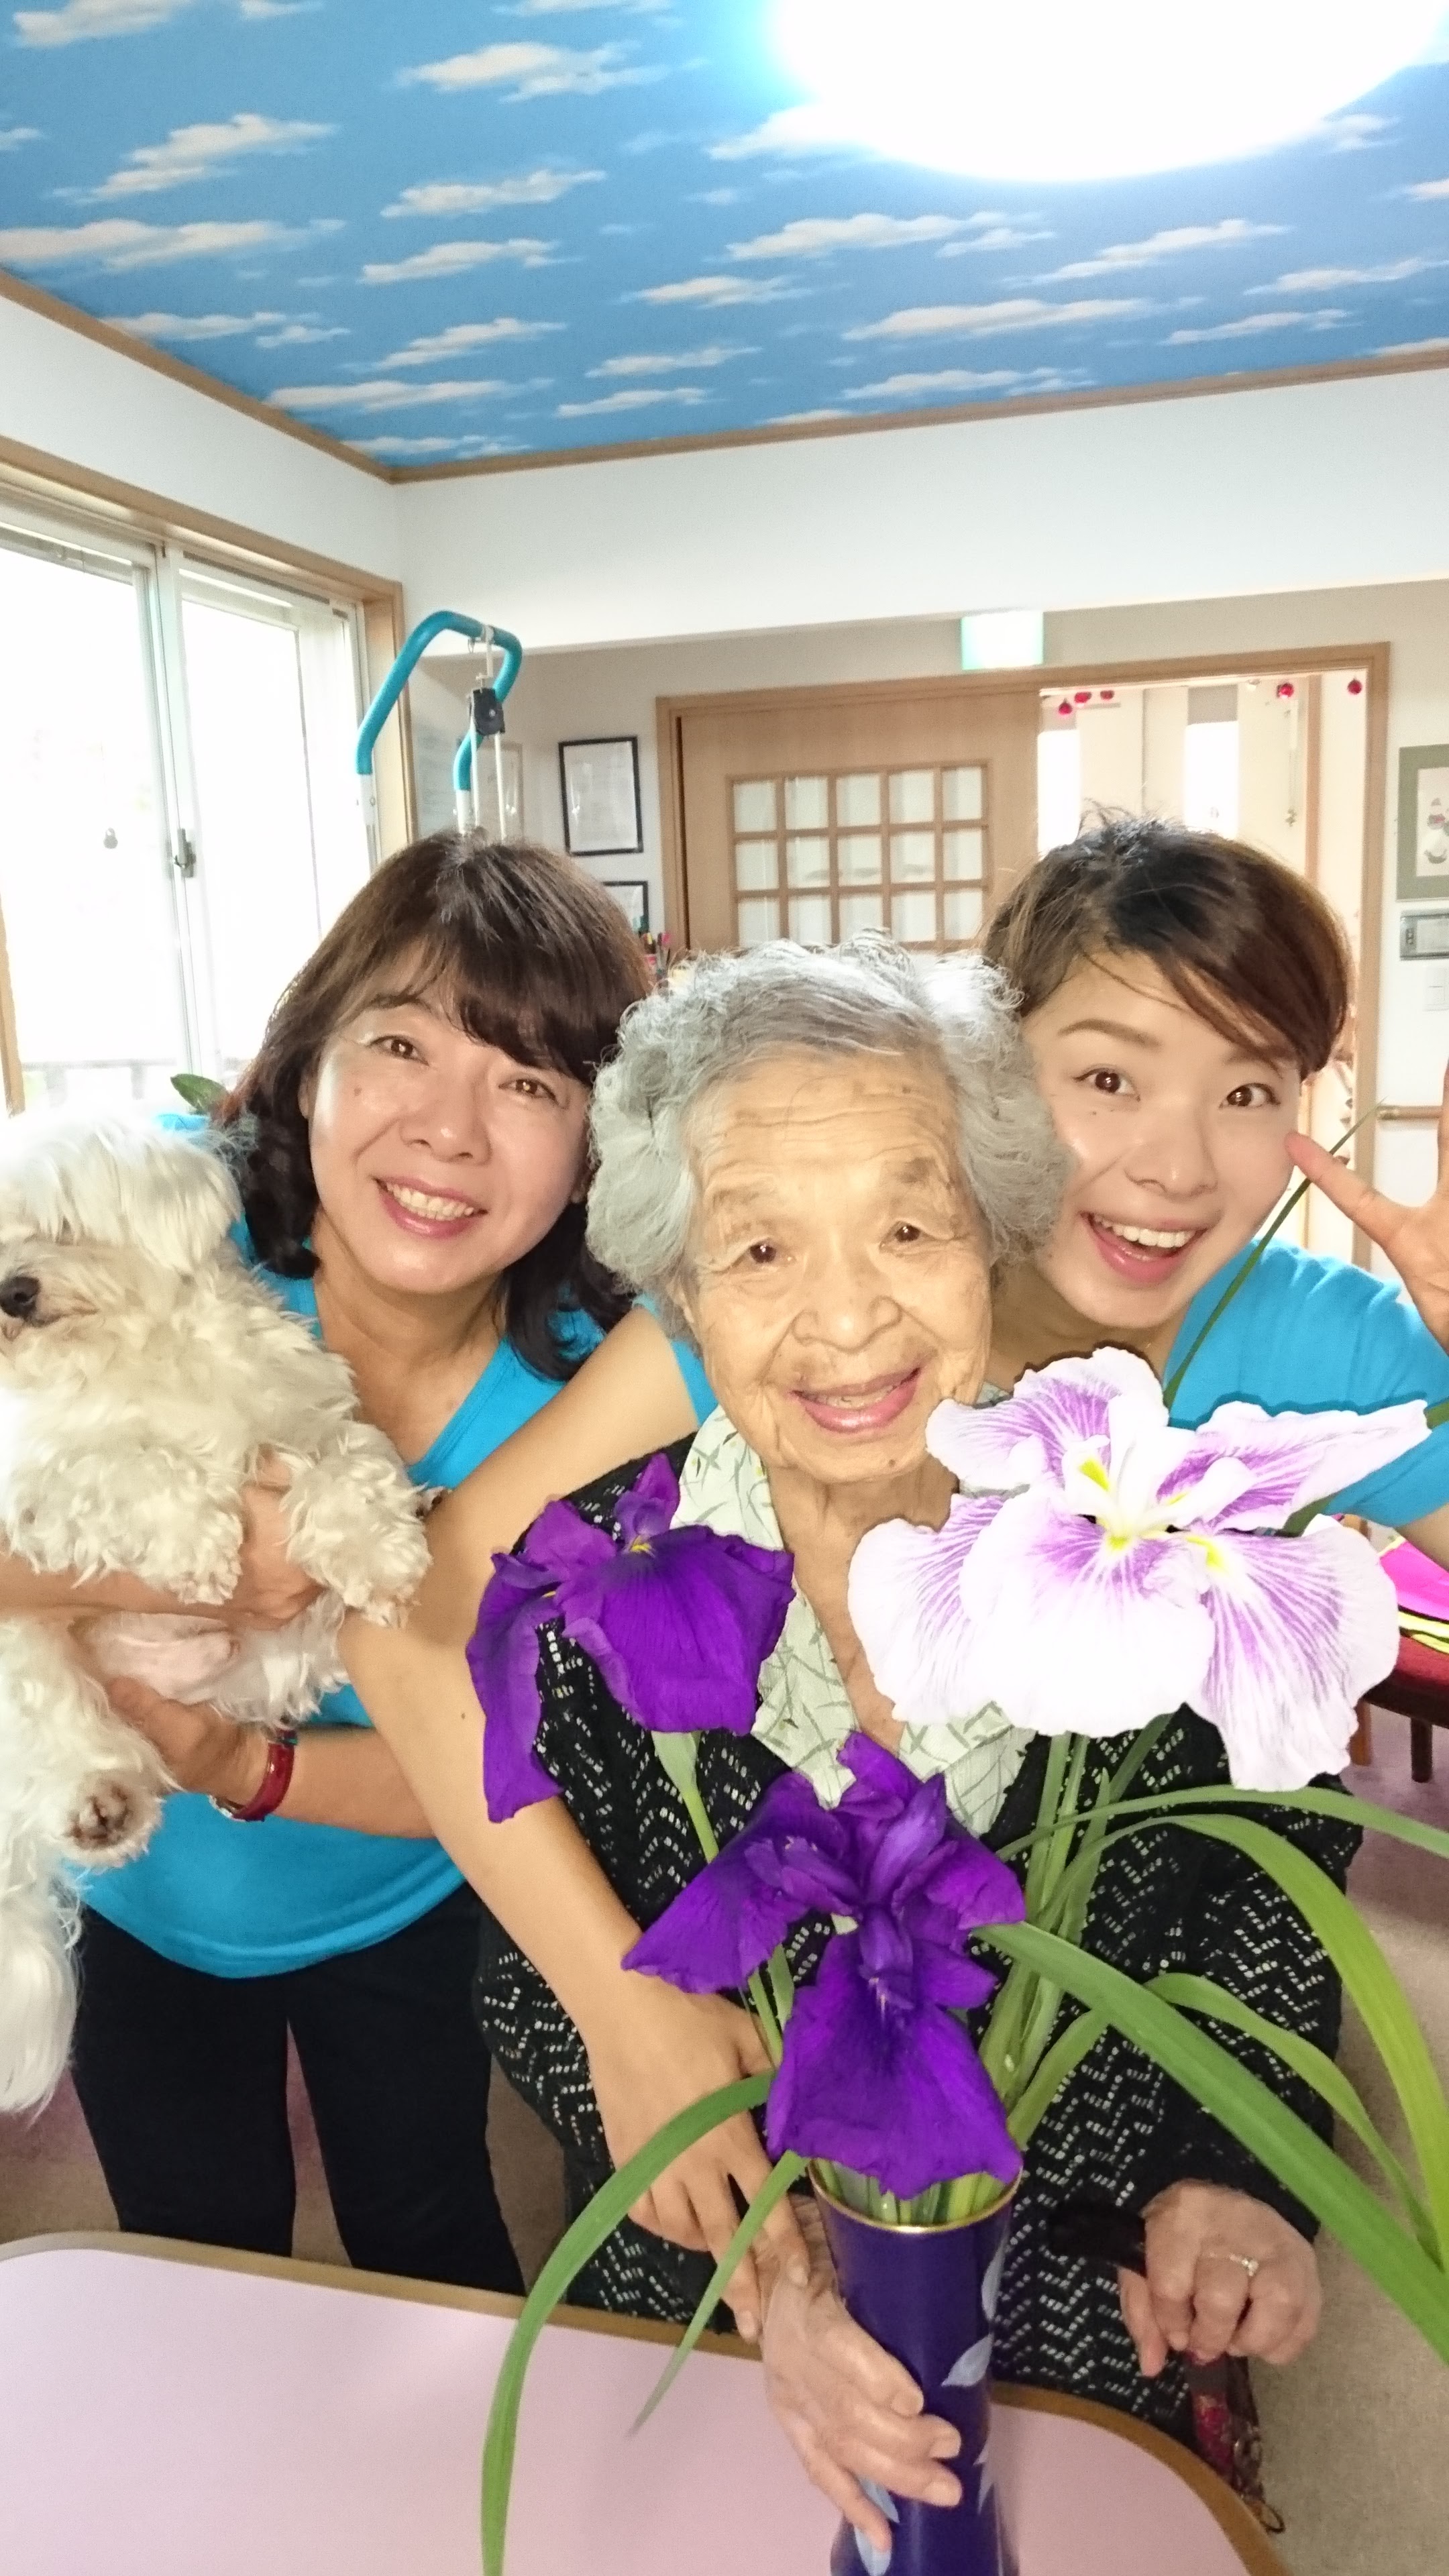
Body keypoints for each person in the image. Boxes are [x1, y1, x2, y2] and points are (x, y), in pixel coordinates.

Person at [451, 936, 1359, 2561]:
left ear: (990, 1236)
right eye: (760, 1248)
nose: (850, 1314)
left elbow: (1273, 1889)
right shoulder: (599, 1585)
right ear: (681, 1300)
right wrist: (770, 2269)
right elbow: (538, 1982)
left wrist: (1233, 2180)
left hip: (1083, 2317)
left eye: (911, 1227)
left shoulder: (1135, 1540)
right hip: (720, 2336)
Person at [66, 829, 712, 2292]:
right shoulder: (160, 1240)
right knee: (189, 2261)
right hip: (137, 1893)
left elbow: (531, 1753)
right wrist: (189, 1579)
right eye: (401, 1046)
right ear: (307, 1064)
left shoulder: (600, 1401)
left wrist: (242, 1764)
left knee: (428, 2231)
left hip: (412, 1898)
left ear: (599, 1146)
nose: (449, 1130)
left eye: (529, 1084)